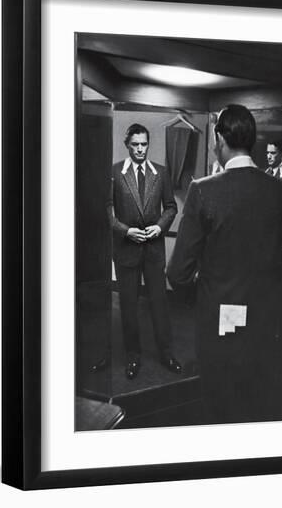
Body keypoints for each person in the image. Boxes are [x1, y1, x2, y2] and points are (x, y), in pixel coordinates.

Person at [167, 105, 282, 423]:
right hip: (266, 325)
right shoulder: (281, 192)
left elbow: (178, 273)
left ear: (219, 138)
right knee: (257, 408)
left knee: (218, 410)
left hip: (218, 327)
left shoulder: (203, 191)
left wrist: (208, 294)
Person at [108, 123, 182, 379]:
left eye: (144, 144)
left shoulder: (160, 173)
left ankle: (166, 352)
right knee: (128, 305)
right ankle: (133, 356)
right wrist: (125, 230)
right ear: (127, 145)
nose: (140, 149)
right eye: (135, 144)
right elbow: (106, 210)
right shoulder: (115, 172)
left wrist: (160, 228)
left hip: (153, 249)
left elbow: (171, 207)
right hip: (126, 249)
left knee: (159, 303)